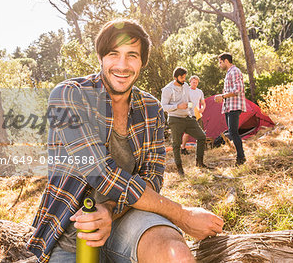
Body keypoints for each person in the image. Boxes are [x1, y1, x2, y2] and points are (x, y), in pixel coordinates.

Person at [27, 19, 224, 263]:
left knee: (174, 254)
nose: (122, 65)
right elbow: (102, 174)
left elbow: (152, 177)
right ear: (101, 58)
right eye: (113, 54)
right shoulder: (69, 95)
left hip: (128, 219)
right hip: (70, 233)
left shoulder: (151, 107)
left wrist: (109, 210)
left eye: (132, 55)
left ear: (142, 62)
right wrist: (182, 215)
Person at [161, 67, 207, 176]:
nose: (184, 80)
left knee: (202, 137)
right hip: (175, 119)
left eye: (185, 77)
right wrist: (178, 106)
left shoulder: (186, 86)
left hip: (188, 118)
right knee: (176, 144)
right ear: (175, 77)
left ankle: (199, 163)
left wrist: (193, 113)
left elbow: (190, 102)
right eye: (182, 77)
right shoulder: (167, 89)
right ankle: (180, 169)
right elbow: (163, 107)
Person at [214, 52, 247, 165]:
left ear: (226, 61)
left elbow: (238, 89)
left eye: (220, 62)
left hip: (234, 106)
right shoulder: (229, 73)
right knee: (232, 132)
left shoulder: (235, 71)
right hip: (229, 106)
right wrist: (222, 97)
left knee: (233, 132)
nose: (219, 65)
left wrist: (222, 96)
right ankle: (240, 157)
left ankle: (241, 158)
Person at [181, 75, 206, 155]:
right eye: (193, 82)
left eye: (196, 82)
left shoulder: (200, 92)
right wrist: (192, 107)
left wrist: (202, 108)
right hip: (189, 114)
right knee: (187, 133)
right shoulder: (186, 90)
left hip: (198, 114)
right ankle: (183, 148)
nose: (195, 84)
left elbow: (203, 103)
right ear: (190, 82)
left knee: (201, 133)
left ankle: (200, 149)